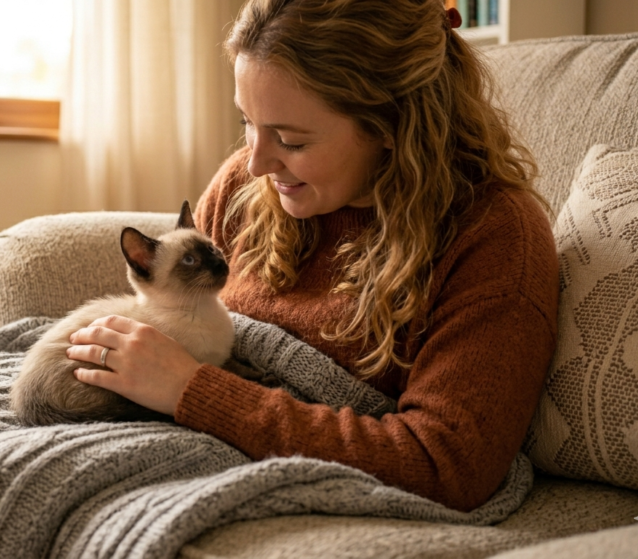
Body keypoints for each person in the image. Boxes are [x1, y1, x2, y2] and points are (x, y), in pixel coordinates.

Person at [66, 0, 559, 512]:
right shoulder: (245, 187)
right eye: (247, 122)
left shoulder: (493, 238)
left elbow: (445, 465)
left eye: (291, 140)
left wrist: (193, 389)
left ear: (390, 123)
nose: (255, 162)